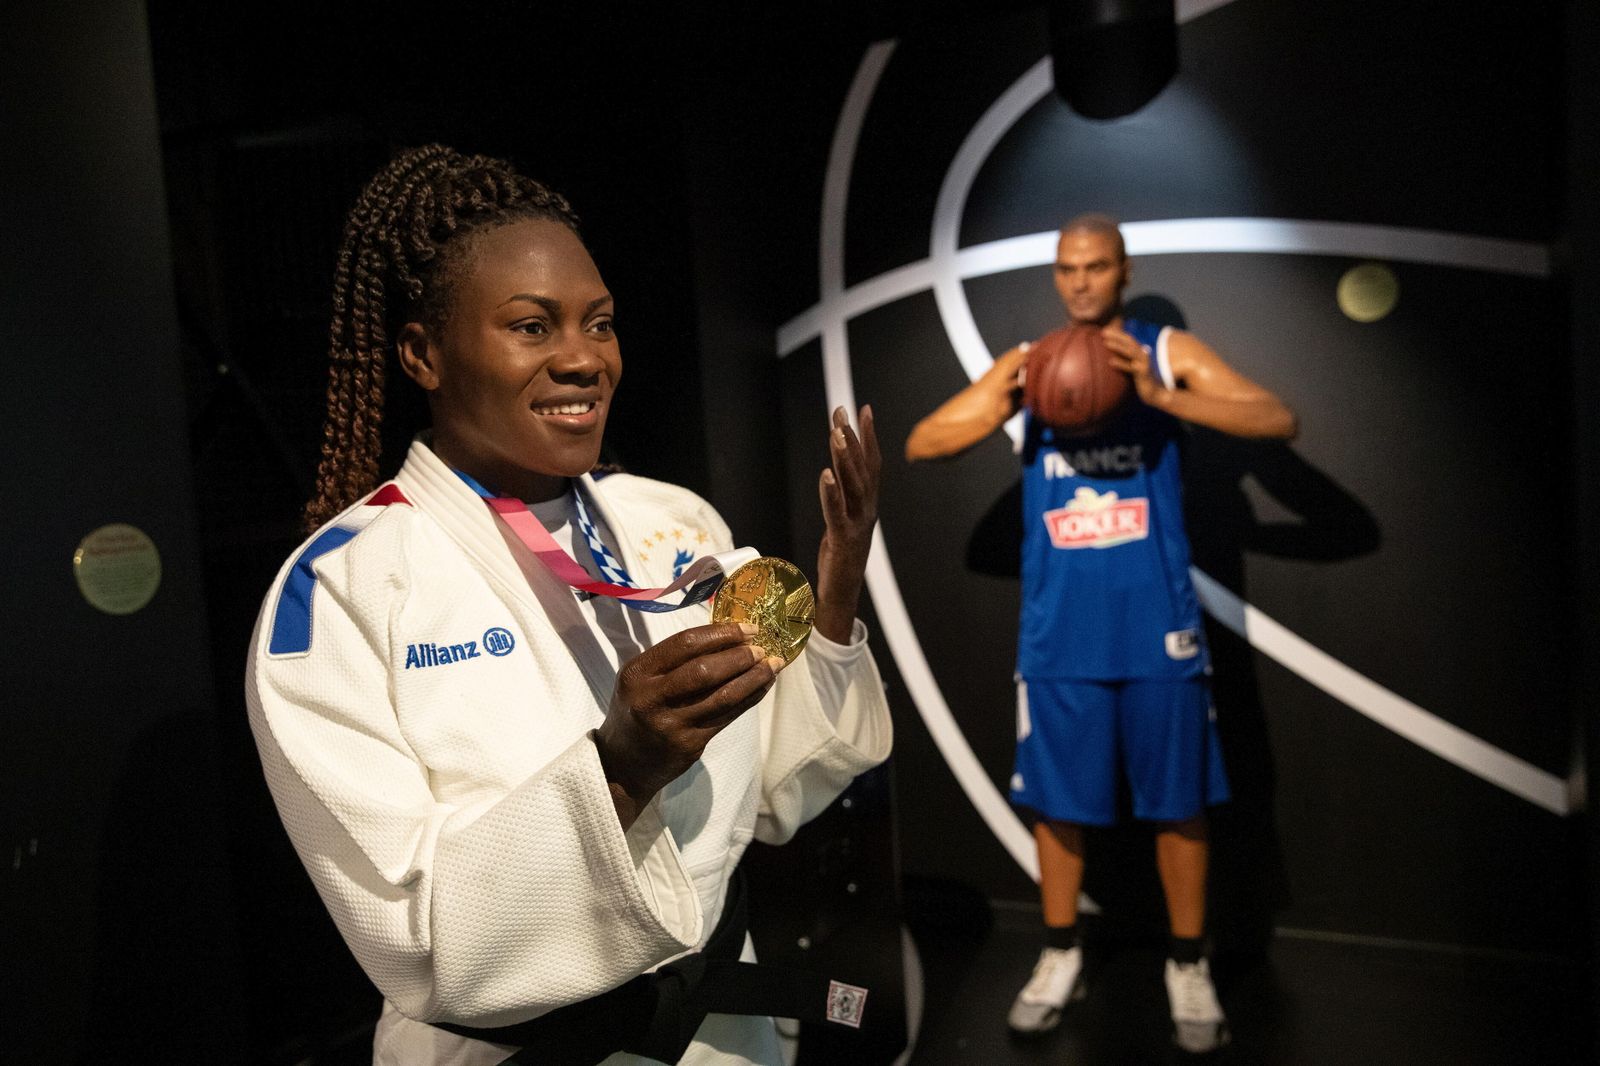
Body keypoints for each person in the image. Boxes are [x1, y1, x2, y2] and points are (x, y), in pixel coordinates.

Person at [245, 145, 892, 1066]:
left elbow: (782, 793)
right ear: (424, 354)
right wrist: (618, 770)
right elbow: (411, 935)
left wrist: (832, 600)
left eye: (600, 323)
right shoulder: (342, 590)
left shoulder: (676, 525)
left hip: (725, 1037)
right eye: (532, 326)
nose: (584, 359)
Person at [904, 214, 1296, 1054]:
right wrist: (1016, 392)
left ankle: (1186, 964)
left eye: (1097, 266)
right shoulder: (1030, 364)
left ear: (1122, 270)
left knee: (1180, 805)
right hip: (1060, 635)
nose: (1081, 281)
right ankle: (1057, 954)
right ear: (1057, 276)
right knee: (1058, 807)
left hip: (1159, 628)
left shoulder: (1162, 352)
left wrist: (1160, 398)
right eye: (1067, 268)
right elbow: (923, 441)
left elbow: (1276, 417)